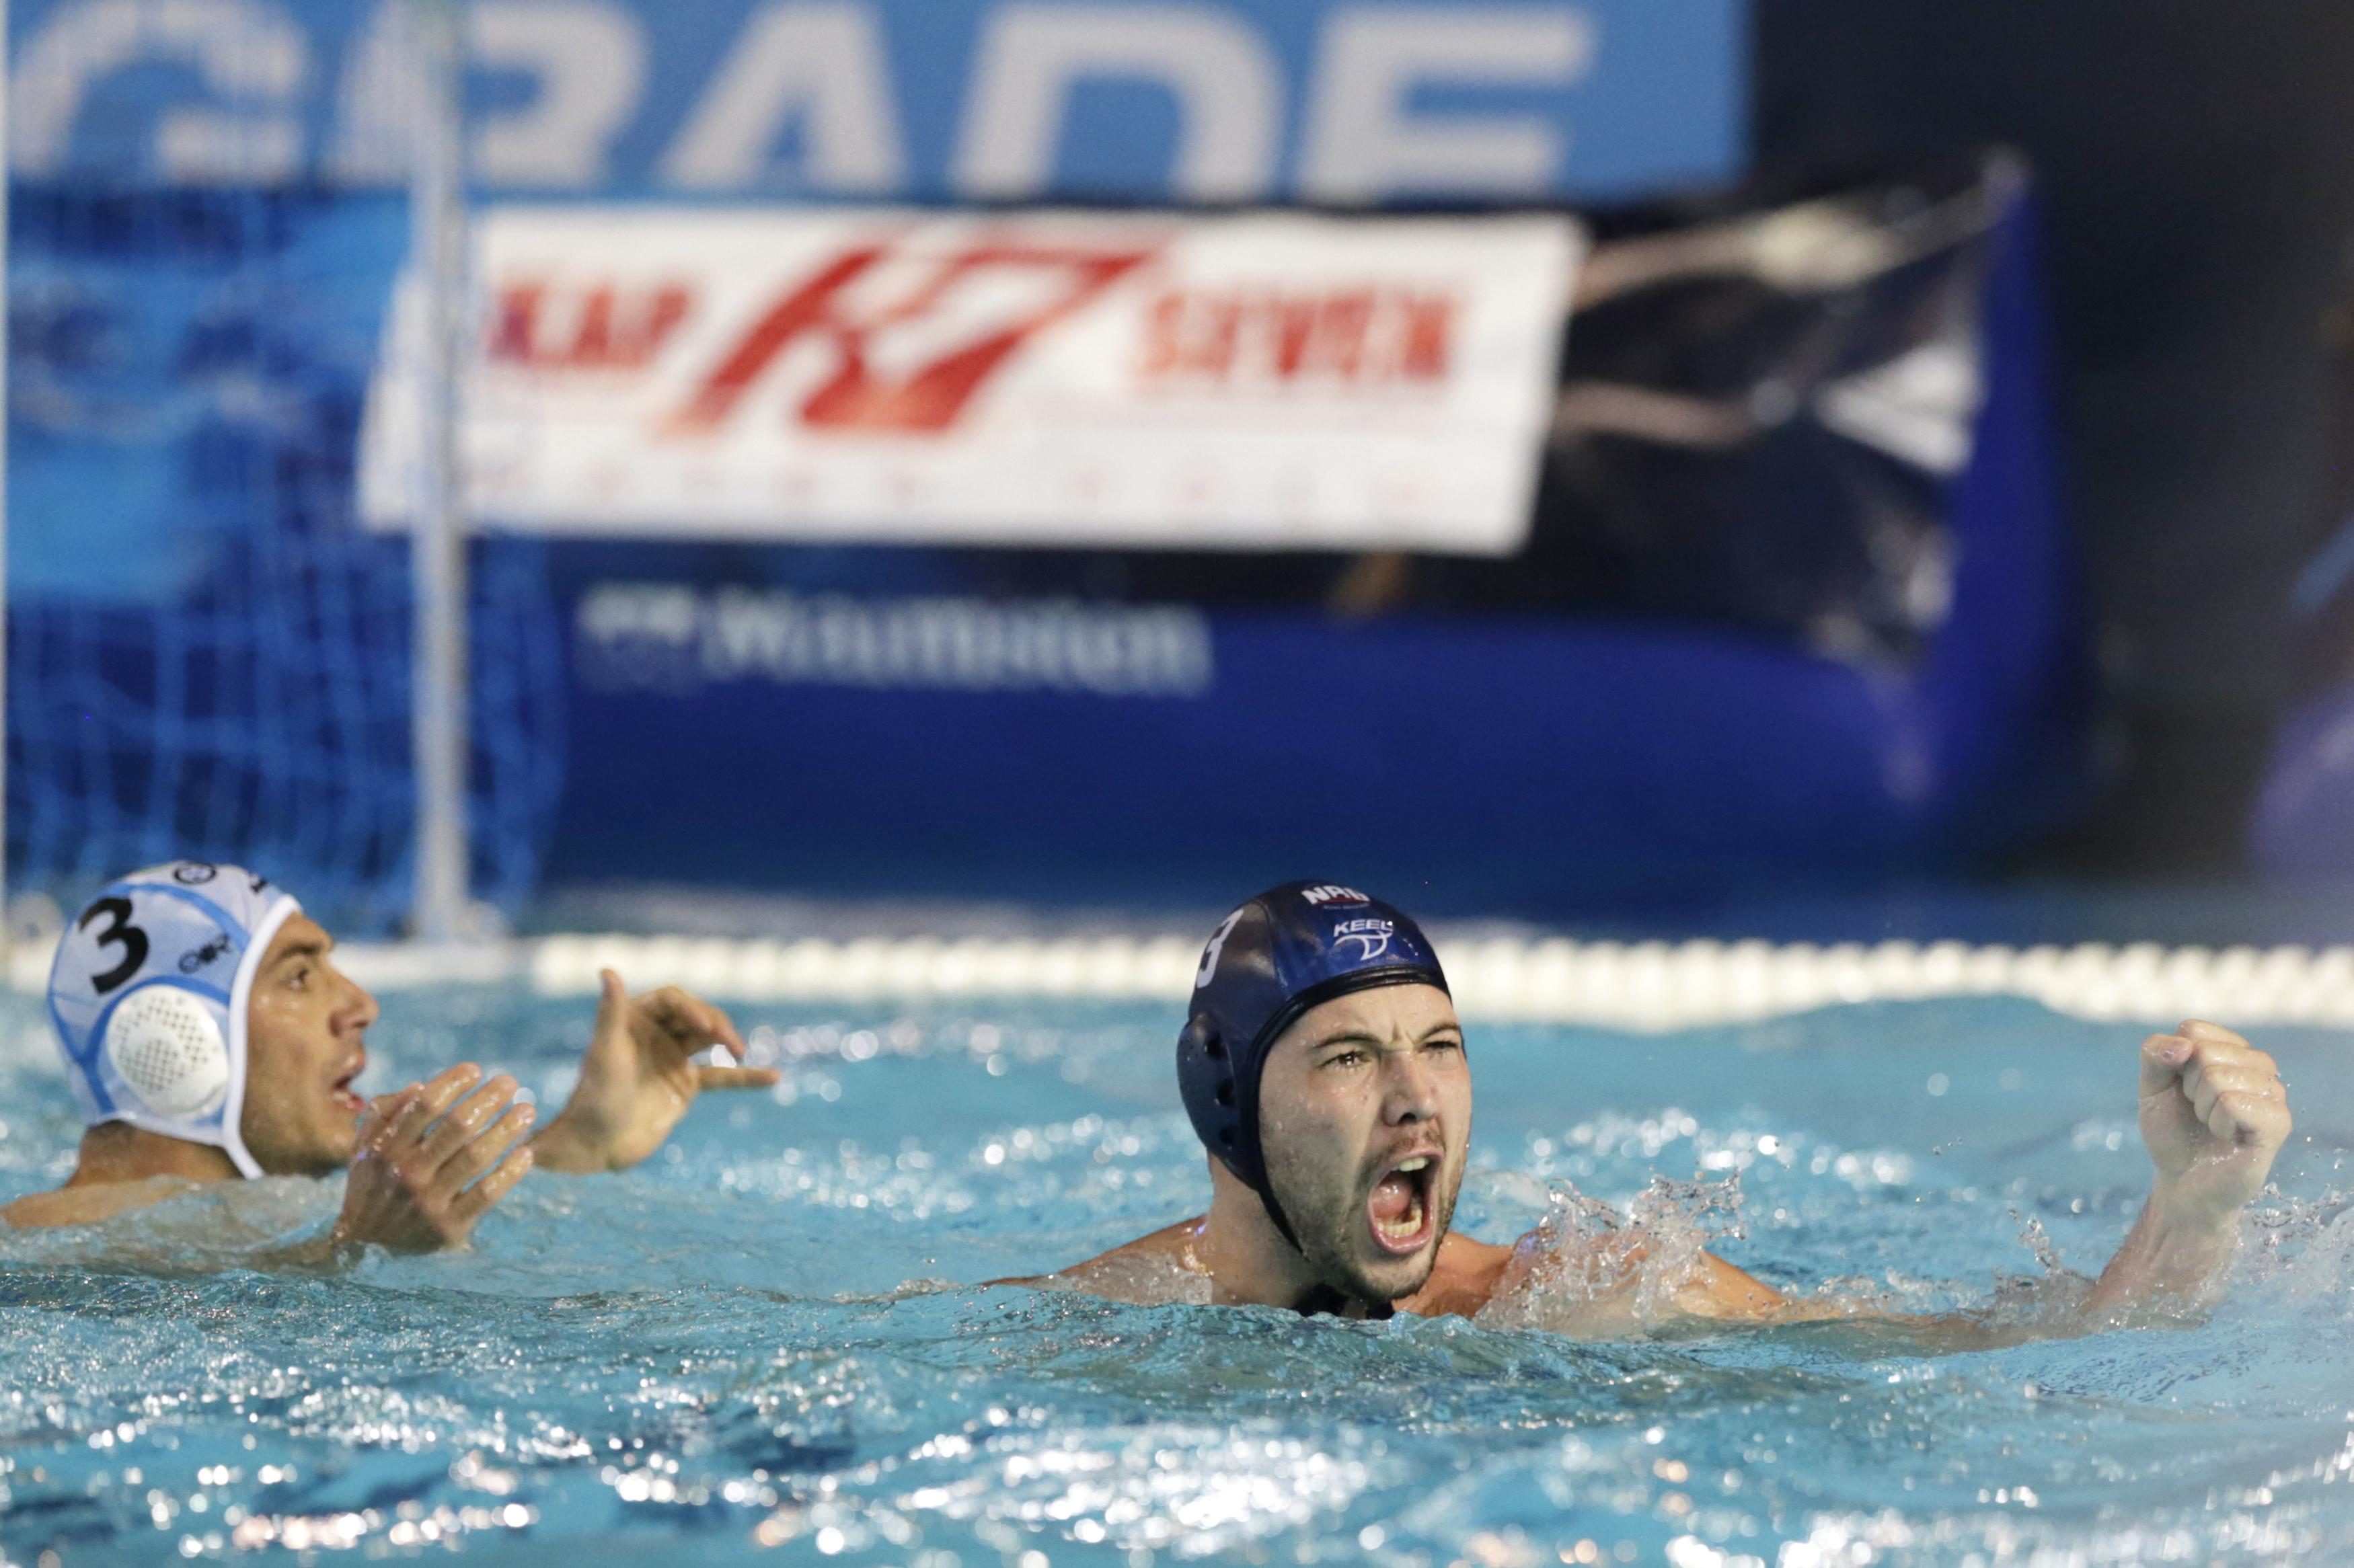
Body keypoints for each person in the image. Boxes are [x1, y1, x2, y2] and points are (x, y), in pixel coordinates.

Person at [1021, 881, 2293, 1337]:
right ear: (1226, 1101)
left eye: (1443, 1046)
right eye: (1350, 1057)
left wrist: (2196, 1205)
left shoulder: (1584, 1293)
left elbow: (2032, 1349)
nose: (1419, 1101)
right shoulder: (1094, 1328)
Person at [1, 861, 774, 1253]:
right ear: (173, 1040)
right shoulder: (39, 1240)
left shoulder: (253, 1213)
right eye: (299, 976)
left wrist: (579, 1143)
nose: (361, 1004)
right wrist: (347, 1254)